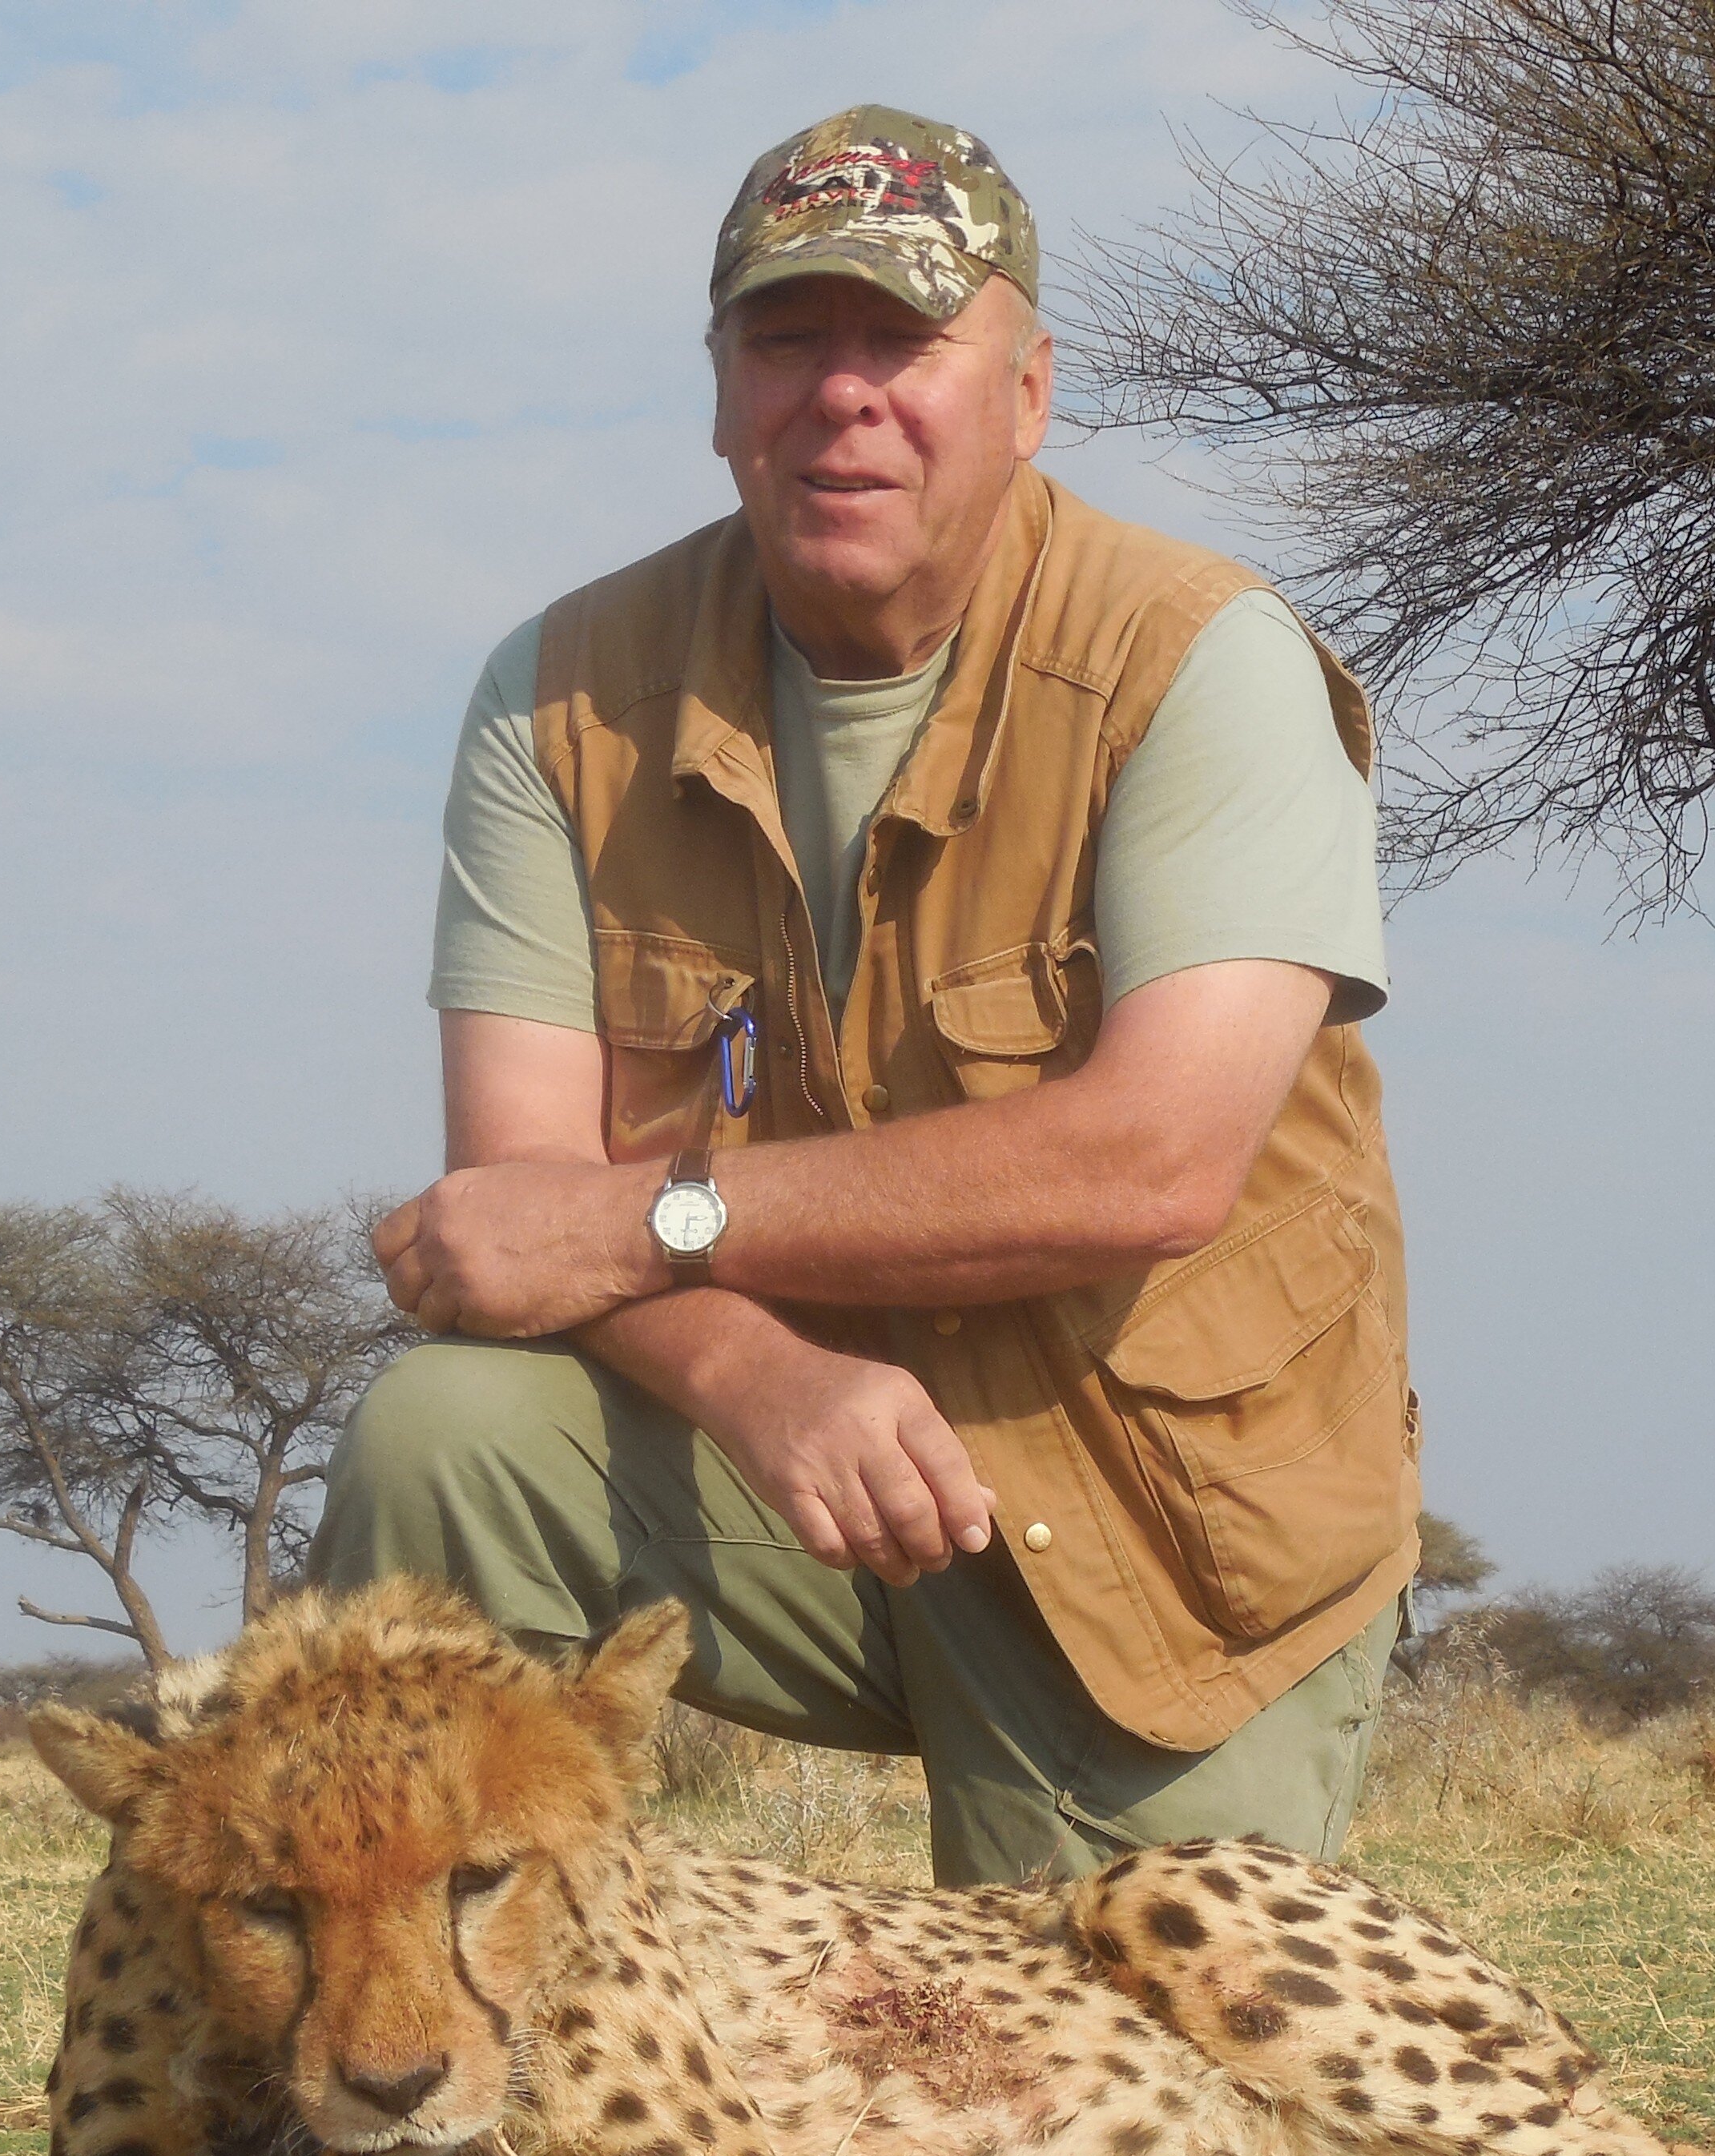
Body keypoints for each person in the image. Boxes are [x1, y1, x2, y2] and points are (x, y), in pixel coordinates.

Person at [311, 105, 1419, 1888]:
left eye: (904, 344)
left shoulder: (1201, 661)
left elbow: (1152, 1165)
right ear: (720, 384)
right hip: (797, 1473)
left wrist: (663, 1219)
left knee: (1106, 2096)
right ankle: (432, 2097)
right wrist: (757, 1374)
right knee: (443, 1437)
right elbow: (519, 1220)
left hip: (1157, 1533)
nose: (843, 396)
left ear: (1028, 391)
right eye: (786, 340)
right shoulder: (556, 695)